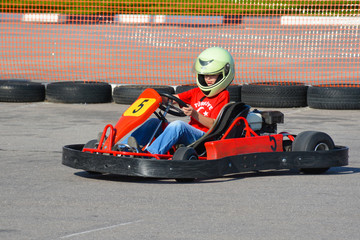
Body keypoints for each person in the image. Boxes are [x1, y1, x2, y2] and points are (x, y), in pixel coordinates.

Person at [122, 47, 235, 155]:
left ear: (223, 75)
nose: (208, 79)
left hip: (204, 137)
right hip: (189, 133)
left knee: (178, 125)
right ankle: (123, 147)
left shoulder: (222, 95)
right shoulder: (196, 92)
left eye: (212, 75)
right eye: (205, 75)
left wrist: (194, 114)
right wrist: (157, 99)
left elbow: (214, 125)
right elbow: (173, 99)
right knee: (154, 122)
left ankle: (150, 154)